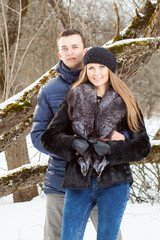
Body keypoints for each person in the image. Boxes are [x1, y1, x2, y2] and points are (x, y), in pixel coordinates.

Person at [41, 47, 151, 240]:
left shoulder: (126, 101)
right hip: (78, 182)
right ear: (85, 70)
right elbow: (48, 137)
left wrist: (111, 149)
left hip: (114, 183)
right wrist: (72, 143)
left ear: (110, 70)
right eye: (91, 67)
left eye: (101, 67)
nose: (96, 73)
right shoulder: (74, 98)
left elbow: (142, 146)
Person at [31, 29, 123, 240]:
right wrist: (70, 149)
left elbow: (127, 127)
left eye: (74, 46)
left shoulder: (107, 83)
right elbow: (38, 135)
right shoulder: (49, 91)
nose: (70, 52)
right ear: (59, 54)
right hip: (61, 182)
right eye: (64, 48)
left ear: (85, 49)